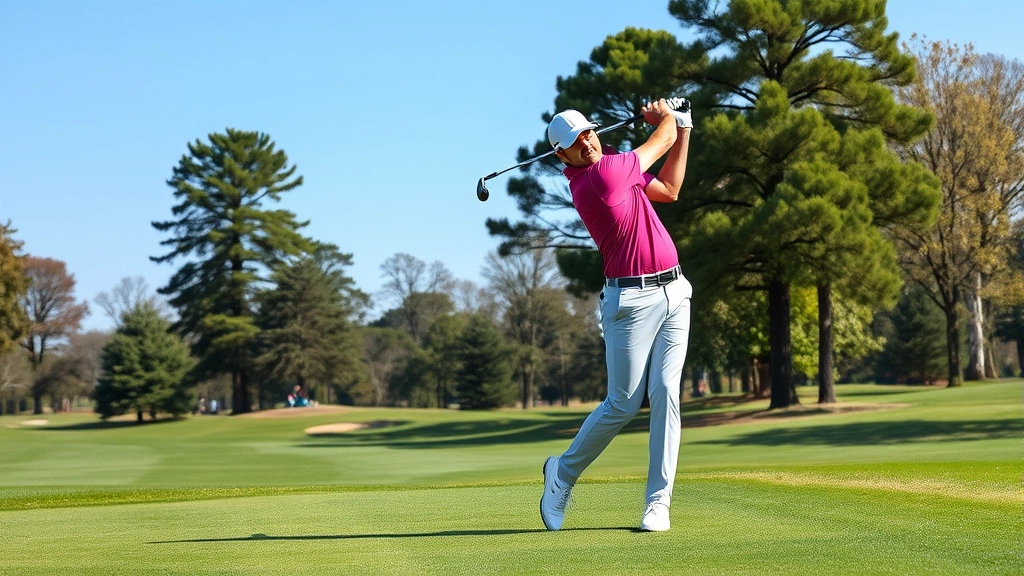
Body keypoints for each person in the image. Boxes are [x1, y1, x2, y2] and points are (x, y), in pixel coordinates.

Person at [539, 98, 693, 532]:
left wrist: (684, 128)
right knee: (623, 403)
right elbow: (659, 139)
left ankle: (658, 503)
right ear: (562, 156)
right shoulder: (601, 177)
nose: (587, 142)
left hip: (675, 291)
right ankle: (563, 472)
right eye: (575, 142)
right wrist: (666, 119)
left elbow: (669, 189)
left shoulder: (617, 170)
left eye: (589, 132)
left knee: (666, 391)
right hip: (630, 303)